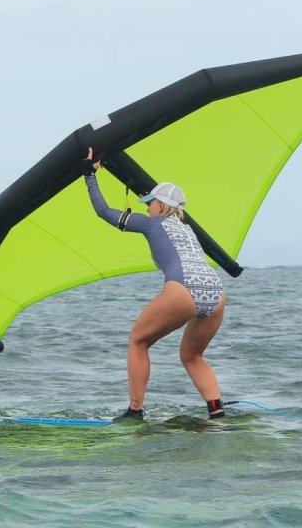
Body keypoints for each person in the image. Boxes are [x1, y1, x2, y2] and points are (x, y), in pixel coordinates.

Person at [82, 147, 227, 421]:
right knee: (192, 355)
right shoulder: (188, 228)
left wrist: (89, 175)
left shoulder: (153, 224)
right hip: (216, 292)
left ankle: (135, 411)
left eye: (150, 203)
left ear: (160, 206)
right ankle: (216, 410)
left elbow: (103, 211)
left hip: (183, 288)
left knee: (138, 340)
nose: (147, 207)